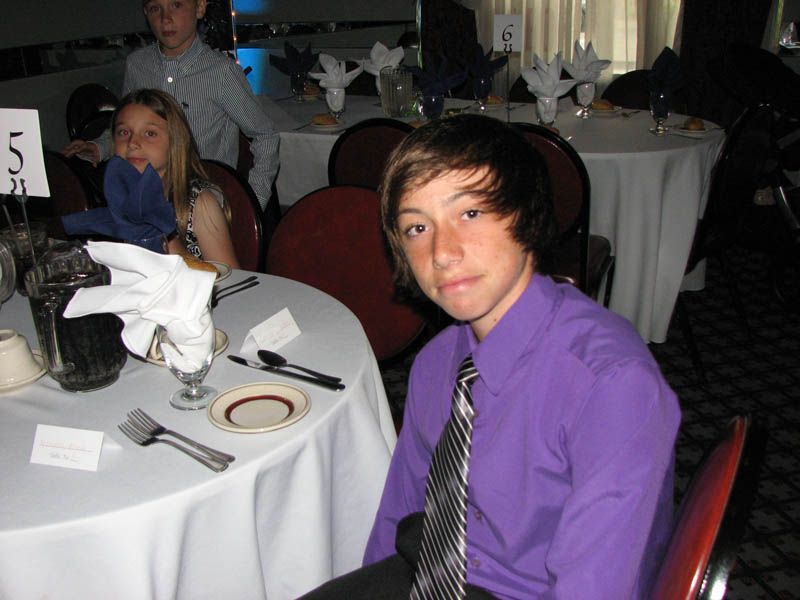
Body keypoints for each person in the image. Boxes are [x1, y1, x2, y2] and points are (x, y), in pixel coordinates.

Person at [301, 114, 681, 599]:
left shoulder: (610, 385)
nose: (442, 252)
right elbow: (399, 510)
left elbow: (594, 587)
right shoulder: (437, 364)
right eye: (417, 227)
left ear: (524, 213)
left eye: (471, 213)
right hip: (433, 573)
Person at [63, 0, 279, 212]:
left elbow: (265, 135)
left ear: (199, 7)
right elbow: (129, 125)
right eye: (155, 8)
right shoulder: (138, 65)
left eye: (176, 5)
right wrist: (99, 147)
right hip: (147, 201)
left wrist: (251, 204)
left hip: (203, 207)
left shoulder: (221, 73)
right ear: (146, 13)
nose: (165, 18)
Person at [112, 88, 239, 267]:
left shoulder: (200, 204)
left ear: (175, 141)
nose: (132, 143)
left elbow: (229, 278)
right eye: (124, 132)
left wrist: (165, 237)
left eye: (150, 133)